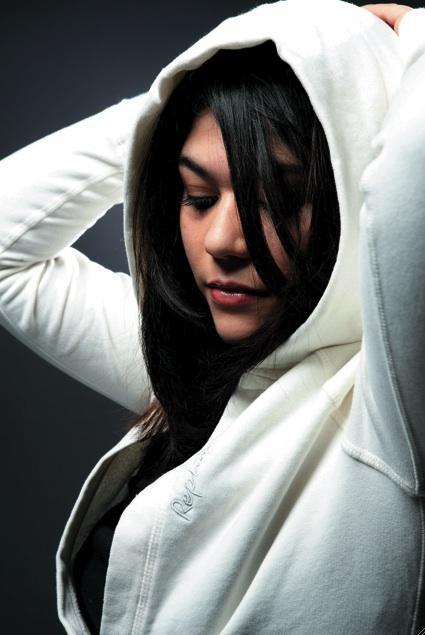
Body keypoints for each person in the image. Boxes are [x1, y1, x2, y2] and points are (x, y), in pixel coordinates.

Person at [0, 0, 424, 632]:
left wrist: (409, 36)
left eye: (279, 200)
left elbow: (411, 174)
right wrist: (178, 96)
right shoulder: (191, 364)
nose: (223, 240)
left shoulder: (390, 407)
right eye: (198, 196)